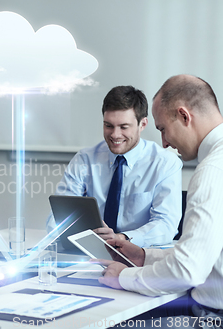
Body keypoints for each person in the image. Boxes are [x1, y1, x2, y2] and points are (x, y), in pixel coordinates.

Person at [99, 75, 223, 329]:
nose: (165, 142)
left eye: (163, 129)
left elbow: (188, 270)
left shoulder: (212, 170)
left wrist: (124, 276)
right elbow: (205, 254)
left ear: (184, 116)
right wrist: (145, 256)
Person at [46, 85, 182, 247]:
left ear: (142, 124)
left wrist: (122, 238)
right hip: (92, 253)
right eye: (108, 125)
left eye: (124, 127)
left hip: (139, 255)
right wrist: (77, 236)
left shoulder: (165, 163)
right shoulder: (85, 159)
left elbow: (166, 225)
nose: (115, 135)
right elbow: (57, 218)